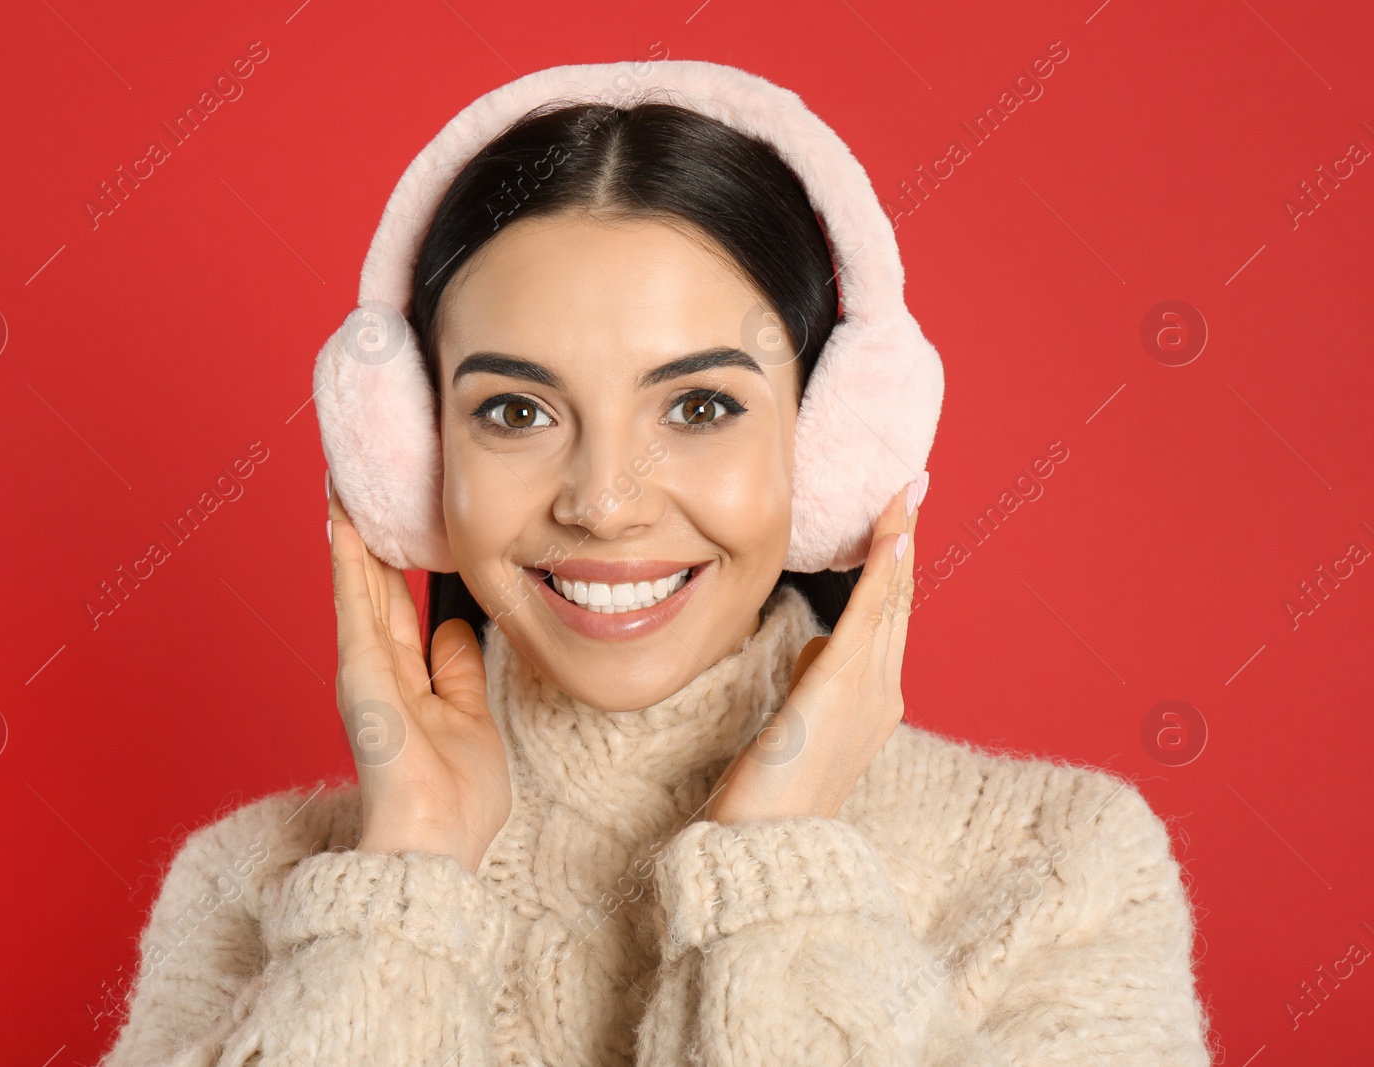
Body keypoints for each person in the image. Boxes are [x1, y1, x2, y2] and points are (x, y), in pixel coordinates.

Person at [94, 60, 1213, 1067]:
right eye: (517, 409)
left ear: (825, 443)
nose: (601, 502)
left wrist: (777, 866)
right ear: (414, 454)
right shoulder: (253, 886)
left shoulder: (1059, 864)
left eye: (701, 403)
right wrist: (404, 888)